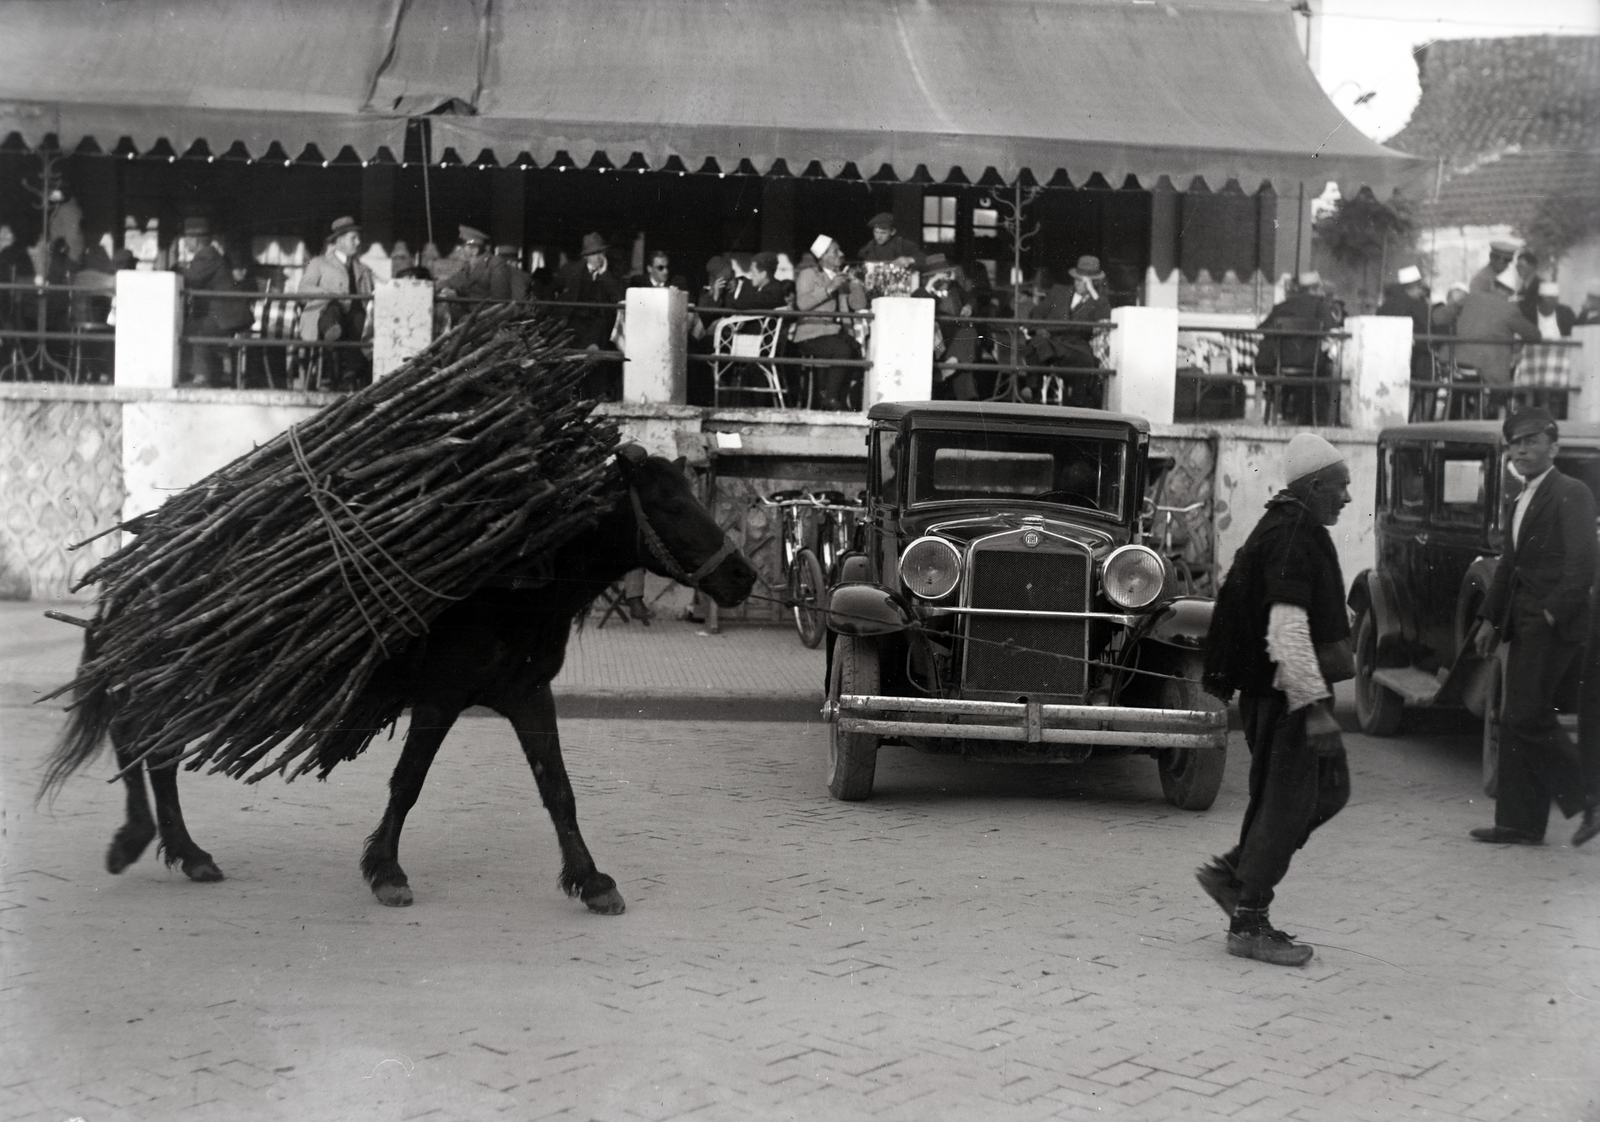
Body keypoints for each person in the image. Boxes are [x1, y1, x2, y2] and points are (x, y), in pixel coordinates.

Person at [1197, 433, 1354, 966]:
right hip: (1289, 695)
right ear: (1313, 487)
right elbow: (1286, 630)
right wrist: (1314, 711)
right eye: (1340, 486)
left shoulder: (1294, 527)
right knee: (1288, 805)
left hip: (1288, 692)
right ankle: (1248, 921)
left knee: (1323, 792)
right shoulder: (1292, 537)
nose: (1348, 498)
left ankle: (1236, 877)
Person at [1468, 408, 1598, 847]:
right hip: (1520, 621)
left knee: (1525, 714)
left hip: (1552, 624)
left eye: (1530, 440)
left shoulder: (1571, 492)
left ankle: (1590, 798)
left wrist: (1550, 613)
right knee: (1515, 717)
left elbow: (1583, 564)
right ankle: (1519, 824)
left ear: (1554, 447)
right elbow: (1509, 566)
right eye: (1514, 443)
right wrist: (1489, 618)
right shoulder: (1521, 498)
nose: (1520, 449)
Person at [1432, 262, 1539, 418]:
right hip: (1491, 370)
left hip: (1458, 364)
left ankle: (1453, 422)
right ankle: (1493, 415)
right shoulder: (1510, 309)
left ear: (1493, 286)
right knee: (1502, 386)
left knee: (1456, 389)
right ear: (1511, 293)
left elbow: (1438, 318)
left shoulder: (1469, 299)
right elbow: (1534, 335)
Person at [298, 215, 375, 390]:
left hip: (355, 321)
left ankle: (349, 376)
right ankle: (331, 330)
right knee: (333, 307)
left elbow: (378, 289)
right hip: (326, 316)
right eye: (353, 238)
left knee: (360, 318)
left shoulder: (364, 270)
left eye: (358, 238)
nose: (358, 242)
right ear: (339, 241)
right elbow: (303, 289)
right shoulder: (319, 263)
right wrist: (328, 293)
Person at [792, 235, 868, 410]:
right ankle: (831, 397)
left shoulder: (841, 278)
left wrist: (856, 284)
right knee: (843, 351)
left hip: (835, 333)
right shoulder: (808, 274)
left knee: (857, 350)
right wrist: (829, 288)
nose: (841, 254)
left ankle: (843, 398)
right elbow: (802, 304)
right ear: (824, 256)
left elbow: (859, 305)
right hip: (812, 334)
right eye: (836, 251)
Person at [1025, 255, 1111, 406]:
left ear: (1093, 282)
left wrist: (1091, 291)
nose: (1078, 282)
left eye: (1083, 280)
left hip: (1076, 347)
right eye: (1077, 278)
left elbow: (1104, 318)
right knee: (1036, 345)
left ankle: (1077, 406)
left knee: (1086, 361)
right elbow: (1037, 312)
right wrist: (1039, 330)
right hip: (1051, 341)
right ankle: (1035, 395)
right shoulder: (1058, 292)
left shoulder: (1098, 301)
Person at [555, 232, 627, 401]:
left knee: (597, 349)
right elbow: (553, 290)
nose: (598, 257)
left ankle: (597, 397)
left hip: (601, 326)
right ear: (586, 256)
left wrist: (603, 274)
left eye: (600, 253)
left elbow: (619, 297)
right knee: (573, 356)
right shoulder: (571, 270)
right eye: (593, 254)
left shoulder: (613, 274)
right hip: (575, 324)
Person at [1378, 265, 1438, 420]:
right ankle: (1423, 424)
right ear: (1414, 287)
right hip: (1417, 360)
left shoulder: (1385, 306)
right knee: (1429, 385)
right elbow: (1430, 330)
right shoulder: (1418, 306)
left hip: (1386, 363)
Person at [179, 217, 230, 386]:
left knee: (193, 329)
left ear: (196, 239)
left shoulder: (207, 255)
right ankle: (207, 373)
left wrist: (176, 269)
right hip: (218, 315)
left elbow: (193, 277)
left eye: (187, 237)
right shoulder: (206, 255)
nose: (185, 241)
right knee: (192, 325)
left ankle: (201, 377)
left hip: (223, 316)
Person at [437, 226, 518, 302]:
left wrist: (458, 296)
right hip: (469, 314)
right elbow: (451, 282)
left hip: (488, 315)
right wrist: (432, 286)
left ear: (474, 250)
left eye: (463, 247)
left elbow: (500, 300)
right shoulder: (467, 267)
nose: (458, 250)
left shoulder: (495, 264)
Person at [857, 212, 925, 267]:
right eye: (876, 232)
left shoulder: (902, 244)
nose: (878, 237)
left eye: (883, 233)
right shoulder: (869, 247)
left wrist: (909, 260)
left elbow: (922, 257)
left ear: (893, 232)